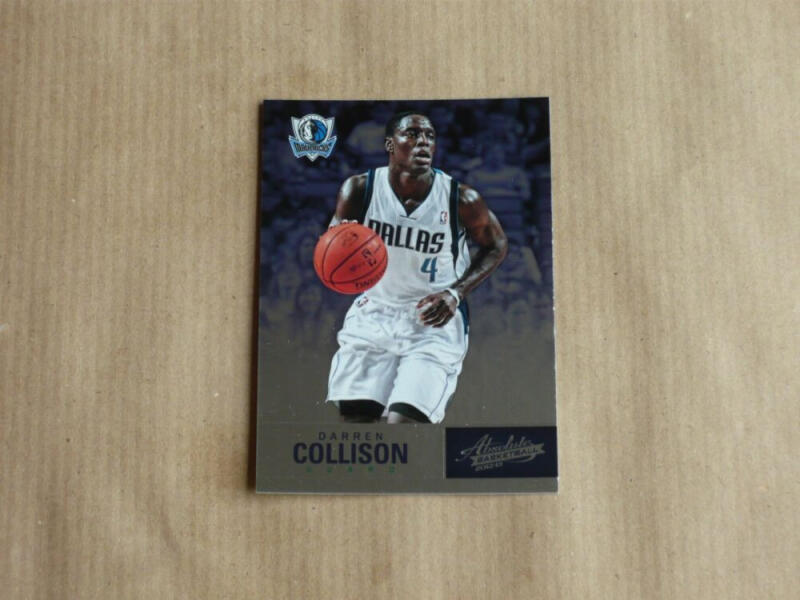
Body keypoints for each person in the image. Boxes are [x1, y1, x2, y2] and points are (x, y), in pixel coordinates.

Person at [325, 111, 508, 424]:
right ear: (390, 144)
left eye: (429, 136)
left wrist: (455, 293)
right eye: (412, 134)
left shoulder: (461, 198)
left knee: (404, 425)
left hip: (433, 319)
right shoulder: (359, 190)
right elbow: (335, 245)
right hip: (375, 311)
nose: (423, 142)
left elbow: (497, 245)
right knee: (356, 425)